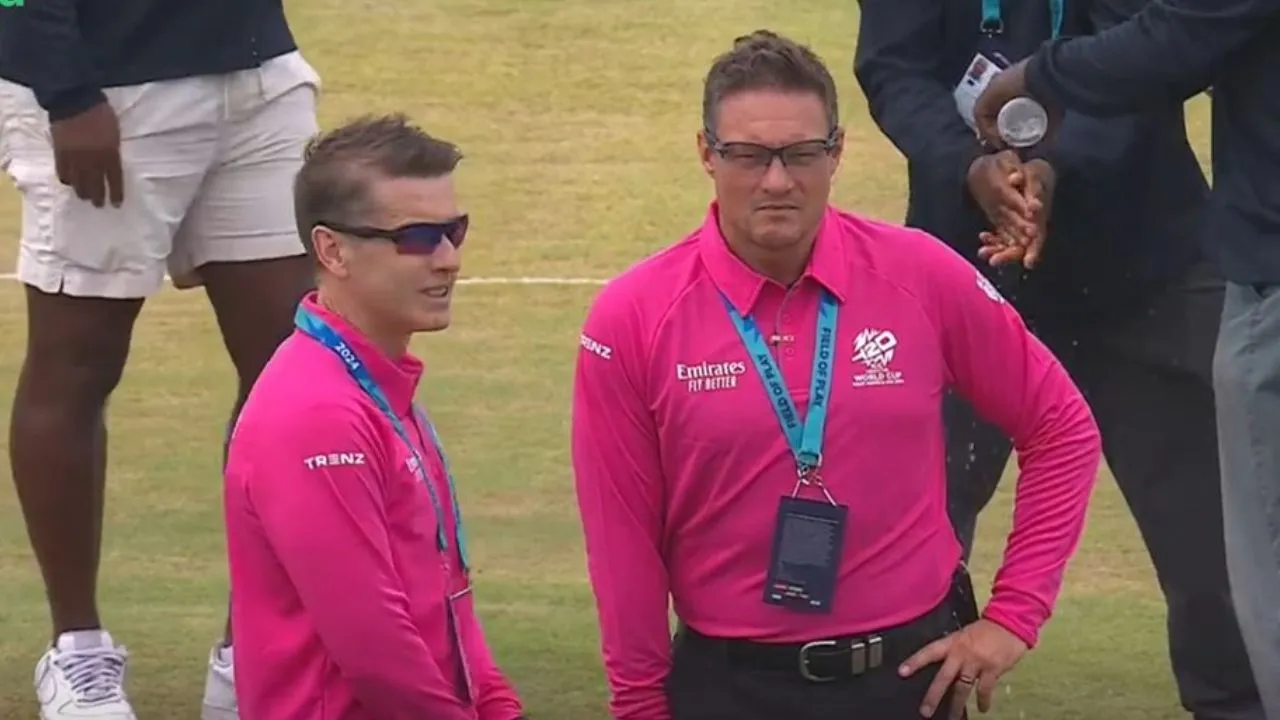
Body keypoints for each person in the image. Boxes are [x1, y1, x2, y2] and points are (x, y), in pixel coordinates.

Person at [571, 30, 1102, 720]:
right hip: (728, 689)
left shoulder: (921, 274)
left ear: (837, 152)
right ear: (706, 153)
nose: (777, 180)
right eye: (747, 154)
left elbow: (1061, 426)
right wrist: (640, 705)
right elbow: (622, 542)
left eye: (800, 153)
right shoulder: (632, 317)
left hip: (910, 680)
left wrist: (1014, 616)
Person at [853, 0, 1264, 716]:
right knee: (912, 534)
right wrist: (968, 167)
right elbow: (893, 66)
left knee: (1217, 549)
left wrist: (1056, 165)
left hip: (1147, 264)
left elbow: (1160, 48)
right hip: (963, 270)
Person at [0, 0, 319, 716]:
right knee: (78, 362)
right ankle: (76, 650)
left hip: (257, 76)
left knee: (290, 365)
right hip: (102, 92)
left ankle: (256, 649)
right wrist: (66, 92)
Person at [969, 3, 1280, 716]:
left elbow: (1179, 34)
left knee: (1251, 567)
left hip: (1197, 266)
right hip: (975, 257)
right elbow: (896, 65)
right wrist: (970, 165)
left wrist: (1035, 83)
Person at [222, 114, 526, 720]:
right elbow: (374, 649)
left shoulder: (378, 389)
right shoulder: (316, 414)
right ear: (332, 250)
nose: (447, 260)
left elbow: (448, 598)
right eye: (415, 237)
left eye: (454, 231)